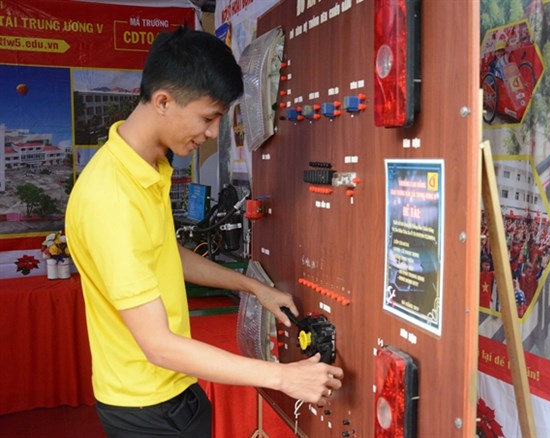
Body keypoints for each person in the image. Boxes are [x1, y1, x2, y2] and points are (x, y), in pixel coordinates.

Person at [65, 27, 343, 437]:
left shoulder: (145, 167)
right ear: (163, 101)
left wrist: (254, 288)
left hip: (173, 391)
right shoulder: (112, 198)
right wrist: (282, 377)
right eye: (208, 118)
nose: (212, 133)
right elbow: (157, 345)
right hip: (149, 408)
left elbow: (168, 255)